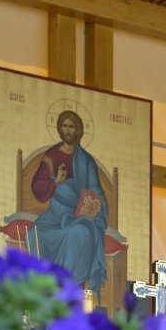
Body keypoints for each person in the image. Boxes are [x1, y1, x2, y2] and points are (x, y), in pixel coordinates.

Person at [28, 110, 108, 294]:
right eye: (64, 126)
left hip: (78, 216)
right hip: (56, 213)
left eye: (71, 126)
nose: (68, 130)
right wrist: (56, 182)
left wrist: (90, 206)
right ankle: (41, 289)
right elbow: (38, 186)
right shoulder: (51, 155)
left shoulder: (86, 161)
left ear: (78, 130)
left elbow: (96, 190)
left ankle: (66, 289)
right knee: (33, 234)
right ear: (59, 129)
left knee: (79, 234)